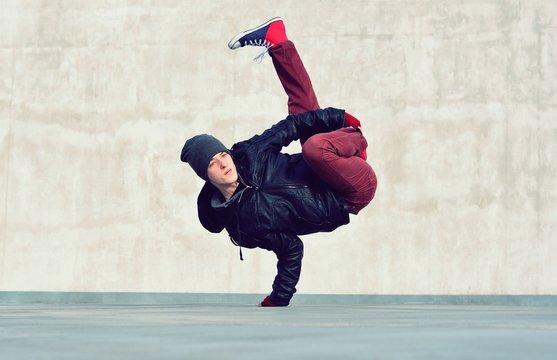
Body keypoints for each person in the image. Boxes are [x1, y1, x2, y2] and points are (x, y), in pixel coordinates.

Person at [180, 17, 377, 307]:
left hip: (341, 163)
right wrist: (279, 298)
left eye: (222, 154)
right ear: (206, 177)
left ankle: (279, 43)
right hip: (351, 194)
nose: (223, 162)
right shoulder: (243, 227)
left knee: (304, 118)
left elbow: (290, 126)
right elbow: (291, 248)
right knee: (314, 144)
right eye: (212, 163)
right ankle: (344, 141)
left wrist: (339, 118)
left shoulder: (249, 153)